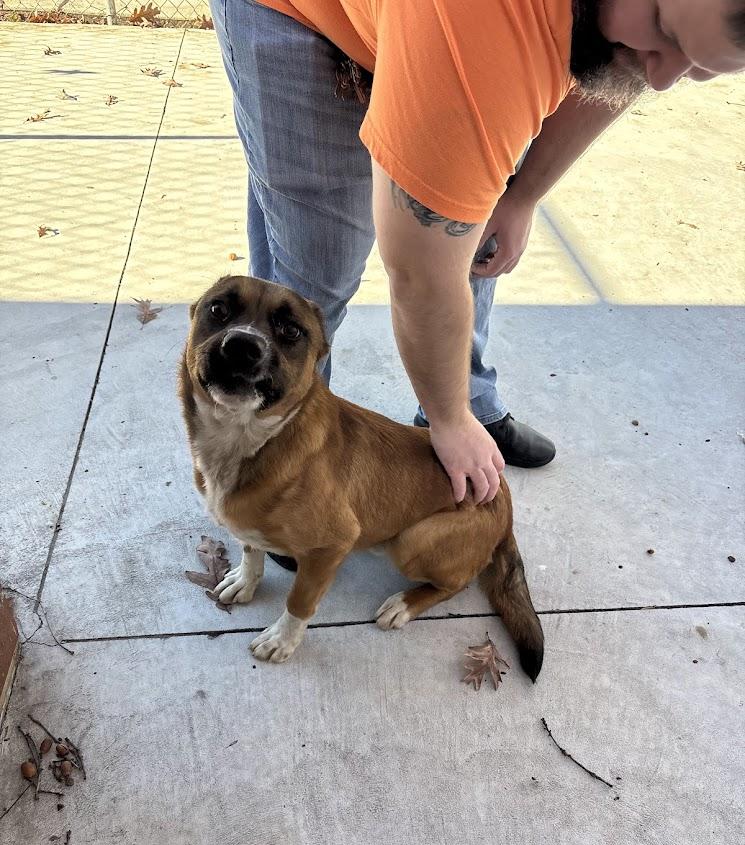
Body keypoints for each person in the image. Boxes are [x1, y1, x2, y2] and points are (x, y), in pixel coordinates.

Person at [210, 0, 745, 513]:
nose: (662, 78)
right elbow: (421, 275)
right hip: (296, 14)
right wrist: (449, 422)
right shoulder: (485, 25)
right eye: (665, 29)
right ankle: (280, 459)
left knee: (474, 228)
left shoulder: (636, 30)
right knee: (313, 273)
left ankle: (472, 400)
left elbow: (619, 68)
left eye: (700, 68)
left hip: (471, 31)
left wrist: (522, 194)